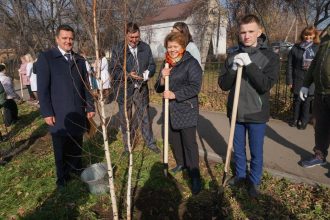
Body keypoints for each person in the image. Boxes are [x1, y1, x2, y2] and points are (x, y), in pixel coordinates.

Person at [218, 14, 279, 197]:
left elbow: (265, 85)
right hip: (236, 112)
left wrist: (250, 65)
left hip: (256, 113)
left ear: (259, 32)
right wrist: (234, 69)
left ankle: (254, 181)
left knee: (256, 150)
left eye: (251, 31)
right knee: (238, 148)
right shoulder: (232, 55)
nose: (247, 35)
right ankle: (240, 175)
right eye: (243, 32)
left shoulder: (269, 57)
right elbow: (223, 84)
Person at [36, 24, 95, 188]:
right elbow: (43, 89)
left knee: (77, 141)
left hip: (77, 111)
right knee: (61, 146)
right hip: (58, 112)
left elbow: (86, 86)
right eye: (65, 38)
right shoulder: (47, 58)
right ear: (57, 39)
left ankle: (76, 168)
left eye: (71, 38)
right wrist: (47, 112)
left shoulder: (79, 60)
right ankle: (62, 177)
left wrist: (90, 106)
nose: (68, 41)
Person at [154, 32, 203, 194]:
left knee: (189, 143)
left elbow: (195, 86)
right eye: (169, 47)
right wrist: (162, 77)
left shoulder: (191, 63)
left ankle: (195, 175)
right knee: (175, 140)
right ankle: (181, 163)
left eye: (175, 47)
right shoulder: (166, 63)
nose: (172, 50)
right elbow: (158, 88)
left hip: (186, 108)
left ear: (182, 47)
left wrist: (175, 95)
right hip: (170, 110)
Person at [110, 22, 160, 154]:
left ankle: (150, 142)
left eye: (136, 37)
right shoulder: (118, 49)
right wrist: (127, 75)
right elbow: (113, 71)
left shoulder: (145, 47)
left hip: (141, 89)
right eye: (131, 37)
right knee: (126, 119)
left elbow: (152, 65)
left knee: (144, 117)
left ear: (139, 35)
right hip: (125, 90)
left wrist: (147, 73)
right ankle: (127, 147)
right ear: (126, 35)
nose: (134, 40)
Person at [300, 24, 330, 168]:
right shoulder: (326, 39)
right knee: (319, 125)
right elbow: (315, 63)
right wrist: (306, 84)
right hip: (320, 92)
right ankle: (320, 155)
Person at [286, 26, 319, 129]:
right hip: (298, 77)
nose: (308, 37)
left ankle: (303, 121)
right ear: (302, 35)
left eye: (310, 35)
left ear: (314, 35)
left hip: (311, 79)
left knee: (307, 100)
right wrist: (289, 80)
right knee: (297, 100)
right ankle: (295, 119)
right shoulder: (296, 48)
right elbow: (290, 65)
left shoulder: (317, 47)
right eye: (306, 34)